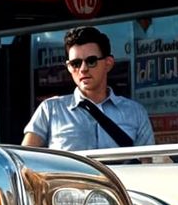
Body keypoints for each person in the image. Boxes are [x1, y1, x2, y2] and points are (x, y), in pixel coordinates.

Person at [22, 26, 154, 152]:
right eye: (76, 63)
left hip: (122, 176)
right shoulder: (50, 110)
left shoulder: (135, 112)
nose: (83, 69)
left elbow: (149, 164)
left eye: (91, 61)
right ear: (69, 67)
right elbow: (25, 161)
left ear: (108, 63)